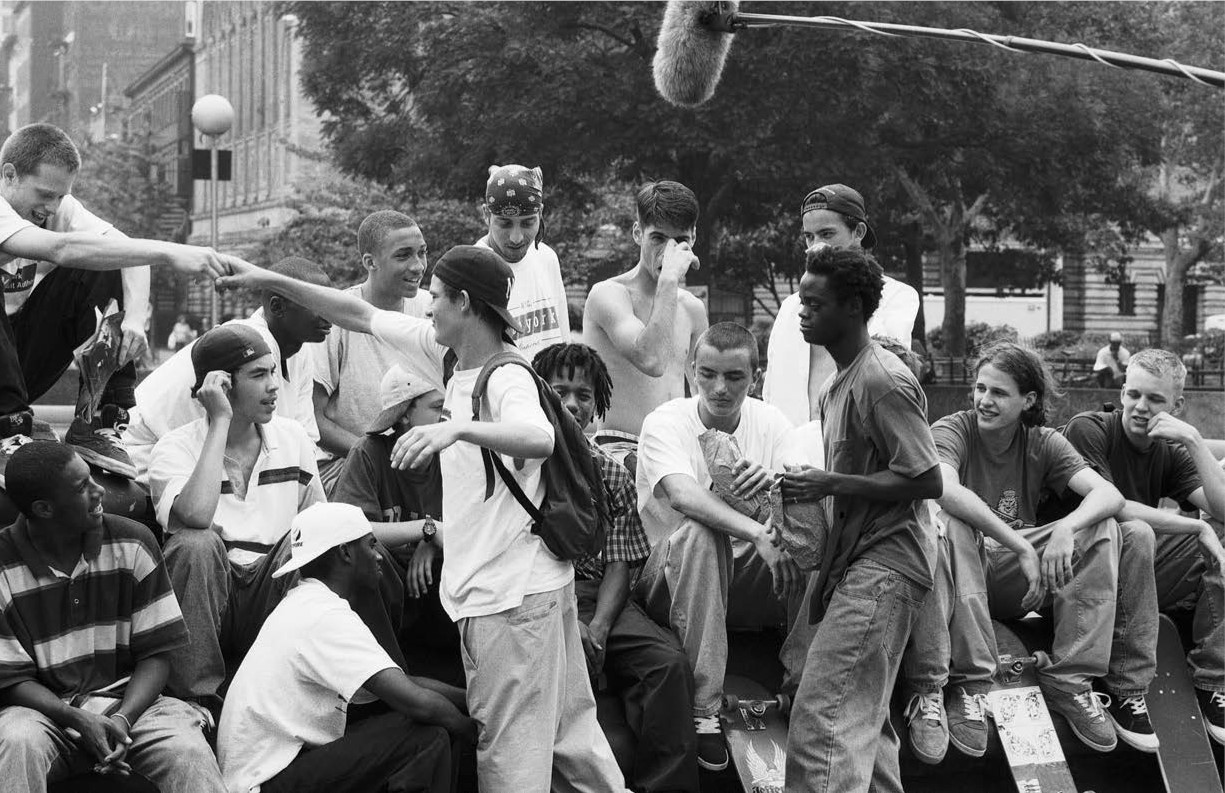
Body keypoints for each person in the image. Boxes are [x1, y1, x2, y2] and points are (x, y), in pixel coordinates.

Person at [215, 245, 628, 791]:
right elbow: (357, 313)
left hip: (510, 598)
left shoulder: (506, 377)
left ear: (463, 302)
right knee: (572, 738)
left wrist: (455, 429)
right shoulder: (449, 357)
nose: (425, 307)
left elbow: (539, 437)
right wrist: (265, 276)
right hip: (530, 590)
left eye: (435, 297)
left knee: (510, 760)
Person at [149, 324, 409, 711]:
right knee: (194, 543)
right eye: (258, 375)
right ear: (219, 385)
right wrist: (219, 421)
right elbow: (197, 515)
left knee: (338, 542)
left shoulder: (291, 439)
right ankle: (195, 700)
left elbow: (324, 527)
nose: (273, 385)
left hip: (276, 584)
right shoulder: (175, 448)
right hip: (213, 593)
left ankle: (379, 680)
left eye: (273, 372)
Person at [901, 342, 1128, 764]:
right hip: (956, 572)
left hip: (1014, 578)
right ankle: (970, 684)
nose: (984, 400)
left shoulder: (1044, 442)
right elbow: (944, 489)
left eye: (999, 393)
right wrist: (1020, 542)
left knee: (1102, 527)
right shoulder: (953, 428)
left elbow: (1108, 495)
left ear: (1029, 400)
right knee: (956, 522)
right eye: (980, 388)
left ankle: (1070, 680)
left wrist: (1066, 526)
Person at [779, 247, 942, 792]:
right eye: (801, 299)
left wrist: (829, 483)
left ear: (852, 307)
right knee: (862, 725)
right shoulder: (839, 383)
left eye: (813, 302)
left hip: (887, 566)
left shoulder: (883, 380)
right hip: (859, 566)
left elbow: (927, 479)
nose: (801, 311)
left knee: (822, 723)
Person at [0, 123, 237, 483]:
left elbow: (125, 252)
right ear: (9, 175)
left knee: (103, 262)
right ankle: (7, 430)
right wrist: (169, 251)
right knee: (82, 252)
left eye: (61, 198)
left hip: (16, 366)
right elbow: (60, 248)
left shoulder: (56, 208)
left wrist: (135, 320)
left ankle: (97, 419)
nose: (51, 208)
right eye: (45, 195)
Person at [0, 441, 224, 793]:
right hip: (46, 715)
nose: (99, 490)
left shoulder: (133, 541)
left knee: (187, 751)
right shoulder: (2, 563)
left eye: (91, 478)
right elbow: (10, 680)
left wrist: (122, 718)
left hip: (133, 706)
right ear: (43, 509)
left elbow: (157, 655)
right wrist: (76, 718)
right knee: (16, 740)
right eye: (82, 487)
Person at [632, 322, 804, 772]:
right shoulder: (665, 421)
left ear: (756, 377)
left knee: (812, 537)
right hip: (668, 581)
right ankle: (703, 708)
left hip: (748, 577)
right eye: (707, 374)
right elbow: (682, 496)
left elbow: (803, 511)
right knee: (701, 531)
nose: (719, 388)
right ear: (691, 372)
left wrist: (773, 496)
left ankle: (807, 687)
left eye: (734, 377)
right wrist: (756, 530)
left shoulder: (772, 423)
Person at [217, 503, 475, 793]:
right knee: (426, 737)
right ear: (345, 553)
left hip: (276, 770)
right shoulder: (323, 616)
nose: (378, 555)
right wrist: (476, 731)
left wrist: (473, 698)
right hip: (263, 782)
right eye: (370, 544)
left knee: (409, 723)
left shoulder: (308, 602)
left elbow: (402, 682)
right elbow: (417, 701)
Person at [533, 342, 700, 792]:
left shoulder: (611, 474)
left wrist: (601, 628)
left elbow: (620, 563)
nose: (572, 403)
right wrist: (570, 622)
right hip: (536, 597)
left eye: (584, 394)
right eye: (559, 389)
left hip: (599, 596)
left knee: (666, 664)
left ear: (597, 404)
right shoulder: (519, 464)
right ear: (536, 391)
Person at [1056, 348, 1225, 748]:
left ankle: (1213, 680)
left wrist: (1195, 439)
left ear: (1177, 405)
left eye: (1156, 400)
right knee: (1137, 531)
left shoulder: (1169, 450)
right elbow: (1112, 503)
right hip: (1070, 572)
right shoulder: (1089, 428)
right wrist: (1193, 527)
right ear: (1122, 390)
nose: (1140, 407)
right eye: (1133, 395)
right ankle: (1125, 690)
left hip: (1134, 572)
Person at [123, 257, 332, 487]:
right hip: (143, 460)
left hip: (207, 466)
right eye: (318, 304)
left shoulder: (302, 353)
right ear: (277, 307)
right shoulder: (245, 343)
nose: (329, 314)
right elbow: (261, 448)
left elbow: (305, 440)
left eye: (329, 302)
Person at [764, 184, 920, 428]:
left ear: (858, 231)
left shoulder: (896, 297)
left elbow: (887, 376)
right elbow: (771, 393)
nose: (816, 246)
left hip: (854, 449)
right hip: (788, 453)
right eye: (809, 236)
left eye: (827, 234)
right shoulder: (789, 308)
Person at [583, 181, 709, 467]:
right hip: (619, 452)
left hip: (678, 453)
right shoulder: (608, 295)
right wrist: (668, 280)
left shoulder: (692, 308)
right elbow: (651, 359)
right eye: (658, 239)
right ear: (638, 233)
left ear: (694, 238)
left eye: (680, 241)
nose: (668, 252)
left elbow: (707, 391)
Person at [312, 210, 432, 495]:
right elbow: (313, 419)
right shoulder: (337, 315)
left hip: (422, 463)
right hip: (346, 465)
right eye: (403, 255)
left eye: (422, 253)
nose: (417, 266)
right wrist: (375, 457)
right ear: (370, 262)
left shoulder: (431, 309)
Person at [330, 365, 451, 638]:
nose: (446, 418)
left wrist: (432, 544)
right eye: (437, 407)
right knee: (368, 556)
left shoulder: (455, 452)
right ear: (405, 414)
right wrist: (428, 528)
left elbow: (477, 524)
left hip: (435, 580)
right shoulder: (369, 453)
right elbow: (351, 529)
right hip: (385, 584)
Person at [475, 163, 570, 360]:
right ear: (486, 215)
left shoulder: (547, 258)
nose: (516, 238)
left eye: (528, 223)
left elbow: (563, 339)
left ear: (540, 213)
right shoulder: (473, 270)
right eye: (505, 223)